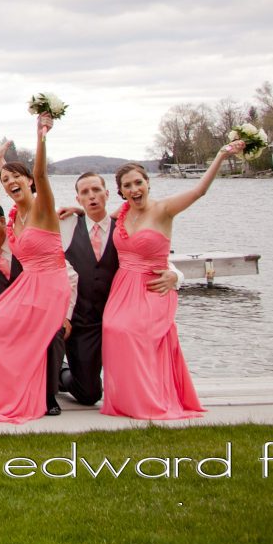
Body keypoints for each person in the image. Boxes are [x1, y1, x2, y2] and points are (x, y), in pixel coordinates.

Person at [101, 142, 243, 420]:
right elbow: (95, 219)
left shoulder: (164, 210)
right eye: (127, 186)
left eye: (138, 183)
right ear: (121, 191)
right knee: (113, 328)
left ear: (147, 183)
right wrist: (74, 210)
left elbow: (199, 191)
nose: (134, 189)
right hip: (123, 287)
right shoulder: (122, 214)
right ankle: (127, 400)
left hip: (153, 287)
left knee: (133, 332)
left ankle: (151, 400)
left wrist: (220, 155)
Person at [0, 114, 72, 423]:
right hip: (27, 289)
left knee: (41, 336)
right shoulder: (14, 217)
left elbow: (40, 174)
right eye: (5, 182)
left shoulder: (43, 209)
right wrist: (0, 163)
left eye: (16, 179)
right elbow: (12, 180)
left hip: (49, 287)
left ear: (30, 182)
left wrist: (41, 135)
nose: (10, 184)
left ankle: (45, 396)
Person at [55, 172, 182, 406]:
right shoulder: (67, 225)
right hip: (83, 322)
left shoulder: (124, 226)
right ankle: (61, 375)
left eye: (96, 190)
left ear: (108, 194)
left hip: (122, 317)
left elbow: (152, 256)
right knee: (89, 394)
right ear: (78, 198)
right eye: (85, 193)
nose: (92, 196)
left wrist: (175, 274)